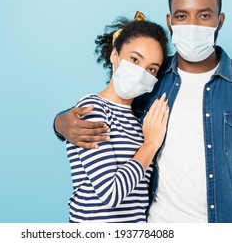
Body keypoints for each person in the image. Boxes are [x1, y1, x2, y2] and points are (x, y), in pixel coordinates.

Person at [54, 0, 232, 223]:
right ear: (170, 21)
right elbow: (110, 103)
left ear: (220, 21)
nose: (193, 25)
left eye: (205, 16)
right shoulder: (152, 80)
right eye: (182, 16)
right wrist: (60, 122)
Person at [65, 11, 170, 222]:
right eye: (134, 59)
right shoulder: (91, 109)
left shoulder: (138, 119)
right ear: (114, 55)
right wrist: (150, 144)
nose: (141, 73)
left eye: (151, 69)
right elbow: (111, 193)